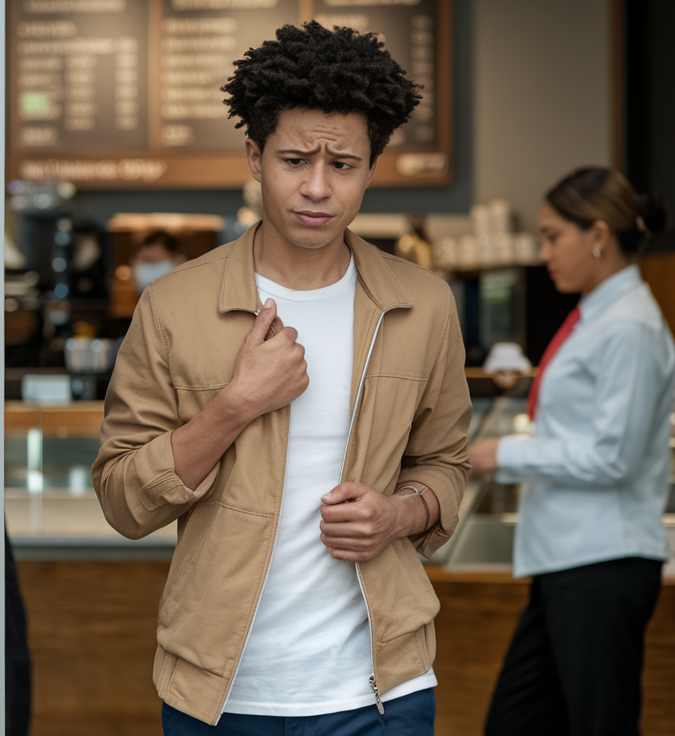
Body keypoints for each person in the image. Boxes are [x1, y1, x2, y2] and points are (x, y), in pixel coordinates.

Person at [92, 21, 472, 735]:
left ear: (371, 168)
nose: (319, 188)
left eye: (346, 166)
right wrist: (235, 405)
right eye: (295, 159)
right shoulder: (174, 305)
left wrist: (399, 513)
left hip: (381, 692)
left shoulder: (423, 304)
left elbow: (445, 463)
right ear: (254, 155)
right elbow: (123, 500)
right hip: (222, 695)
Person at [469, 166, 675, 736]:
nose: (544, 252)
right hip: (569, 562)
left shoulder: (629, 326)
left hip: (602, 563)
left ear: (599, 235)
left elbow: (614, 457)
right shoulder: (599, 316)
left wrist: (501, 454)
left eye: (552, 235)